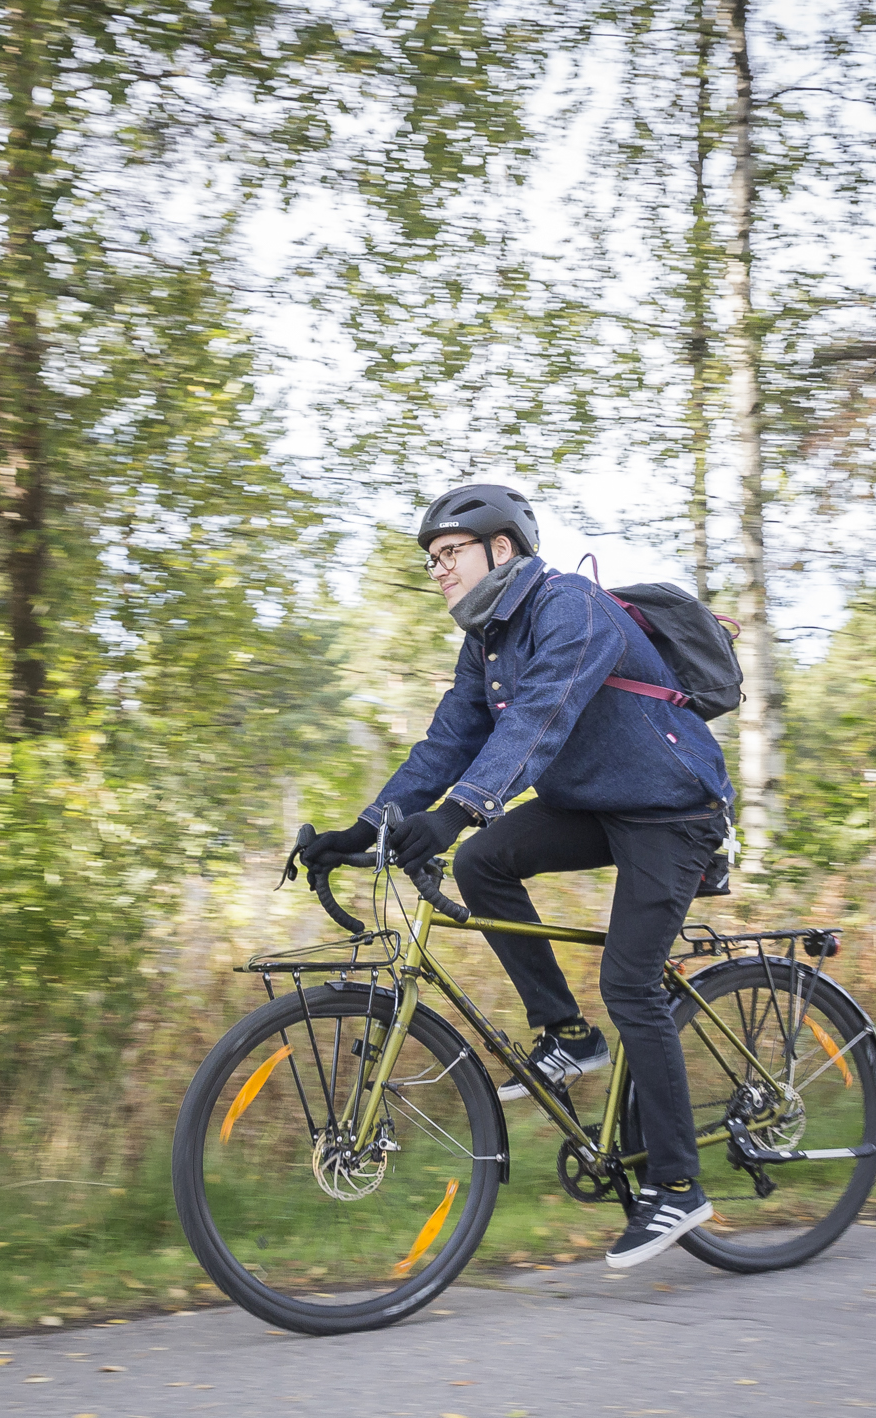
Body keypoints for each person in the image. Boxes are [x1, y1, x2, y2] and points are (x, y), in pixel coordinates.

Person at [299, 483, 735, 1268]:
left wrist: (460, 807)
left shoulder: (571, 607)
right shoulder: (488, 642)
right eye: (431, 559)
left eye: (449, 553)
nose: (437, 569)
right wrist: (368, 826)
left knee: (631, 983)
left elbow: (540, 717)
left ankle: (677, 1184)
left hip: (672, 809)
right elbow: (448, 741)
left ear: (502, 549)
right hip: (597, 804)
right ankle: (568, 1034)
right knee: (482, 860)